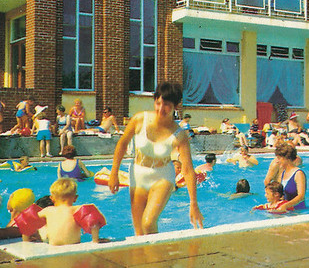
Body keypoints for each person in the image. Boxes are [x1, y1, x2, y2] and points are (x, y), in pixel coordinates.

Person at [108, 82, 204, 236]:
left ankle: (159, 258)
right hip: (138, 174)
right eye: (158, 103)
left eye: (166, 104)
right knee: (139, 231)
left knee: (148, 222)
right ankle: (150, 259)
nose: (160, 109)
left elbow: (187, 169)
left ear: (175, 106)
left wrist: (193, 203)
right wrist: (114, 173)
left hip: (163, 177)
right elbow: (122, 143)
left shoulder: (179, 134)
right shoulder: (140, 120)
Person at [39, 178, 105, 245]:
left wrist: (32, 238)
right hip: (73, 248)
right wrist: (95, 241)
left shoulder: (48, 210)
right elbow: (94, 222)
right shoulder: (77, 210)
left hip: (53, 249)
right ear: (75, 198)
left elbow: (29, 218)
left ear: (52, 198)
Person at [274, 141, 306, 212]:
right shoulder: (282, 172)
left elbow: (301, 196)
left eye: (279, 158)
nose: (277, 161)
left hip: (298, 211)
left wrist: (285, 205)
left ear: (286, 158)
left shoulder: (298, 174)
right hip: (286, 210)